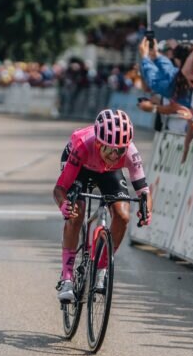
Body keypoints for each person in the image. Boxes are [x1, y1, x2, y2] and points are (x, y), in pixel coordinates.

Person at [53, 109, 152, 302]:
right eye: (110, 149)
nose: (116, 155)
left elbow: (144, 191)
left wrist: (146, 209)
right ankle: (66, 277)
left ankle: (102, 268)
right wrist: (64, 204)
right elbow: (59, 189)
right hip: (81, 165)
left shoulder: (130, 151)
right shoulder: (82, 145)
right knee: (75, 214)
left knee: (123, 216)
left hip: (108, 172)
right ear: (99, 143)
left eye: (121, 150)